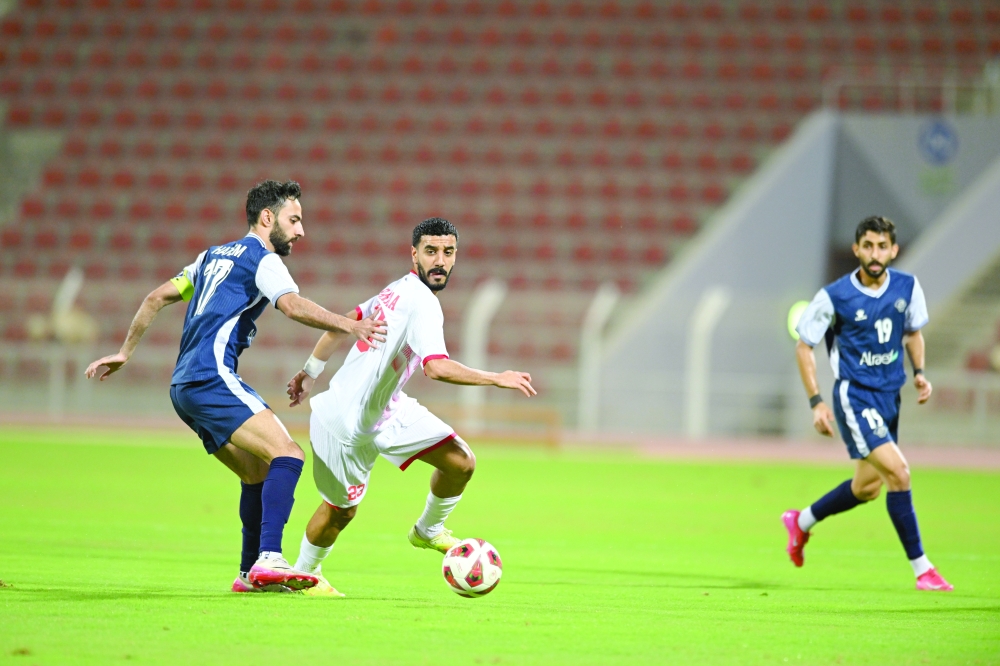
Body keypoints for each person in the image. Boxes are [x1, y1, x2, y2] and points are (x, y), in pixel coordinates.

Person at [84, 180, 387, 593]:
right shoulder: (263, 258)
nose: (300, 231)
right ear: (267, 218)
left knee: (256, 472)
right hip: (211, 376)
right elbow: (292, 305)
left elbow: (156, 297)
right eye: (294, 220)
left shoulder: (209, 256)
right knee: (289, 454)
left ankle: (248, 575)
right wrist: (352, 325)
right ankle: (270, 558)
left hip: (183, 387)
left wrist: (124, 352)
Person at [283, 217, 536, 596]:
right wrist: (496, 377)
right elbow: (435, 367)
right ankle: (304, 576)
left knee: (460, 461)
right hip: (344, 422)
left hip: (387, 409)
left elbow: (348, 321)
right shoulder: (422, 303)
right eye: (431, 251)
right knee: (341, 511)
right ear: (413, 253)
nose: (439, 260)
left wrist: (310, 371)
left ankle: (428, 530)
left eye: (447, 252)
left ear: (455, 257)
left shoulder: (397, 289)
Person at [783, 216, 952, 591]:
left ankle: (801, 521)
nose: (875, 254)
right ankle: (923, 570)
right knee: (900, 474)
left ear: (893, 250)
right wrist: (816, 402)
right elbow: (803, 345)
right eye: (868, 246)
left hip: (889, 397)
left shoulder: (907, 287)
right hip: (855, 397)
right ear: (857, 249)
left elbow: (912, 334)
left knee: (867, 488)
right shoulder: (835, 296)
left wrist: (920, 372)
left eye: (882, 246)